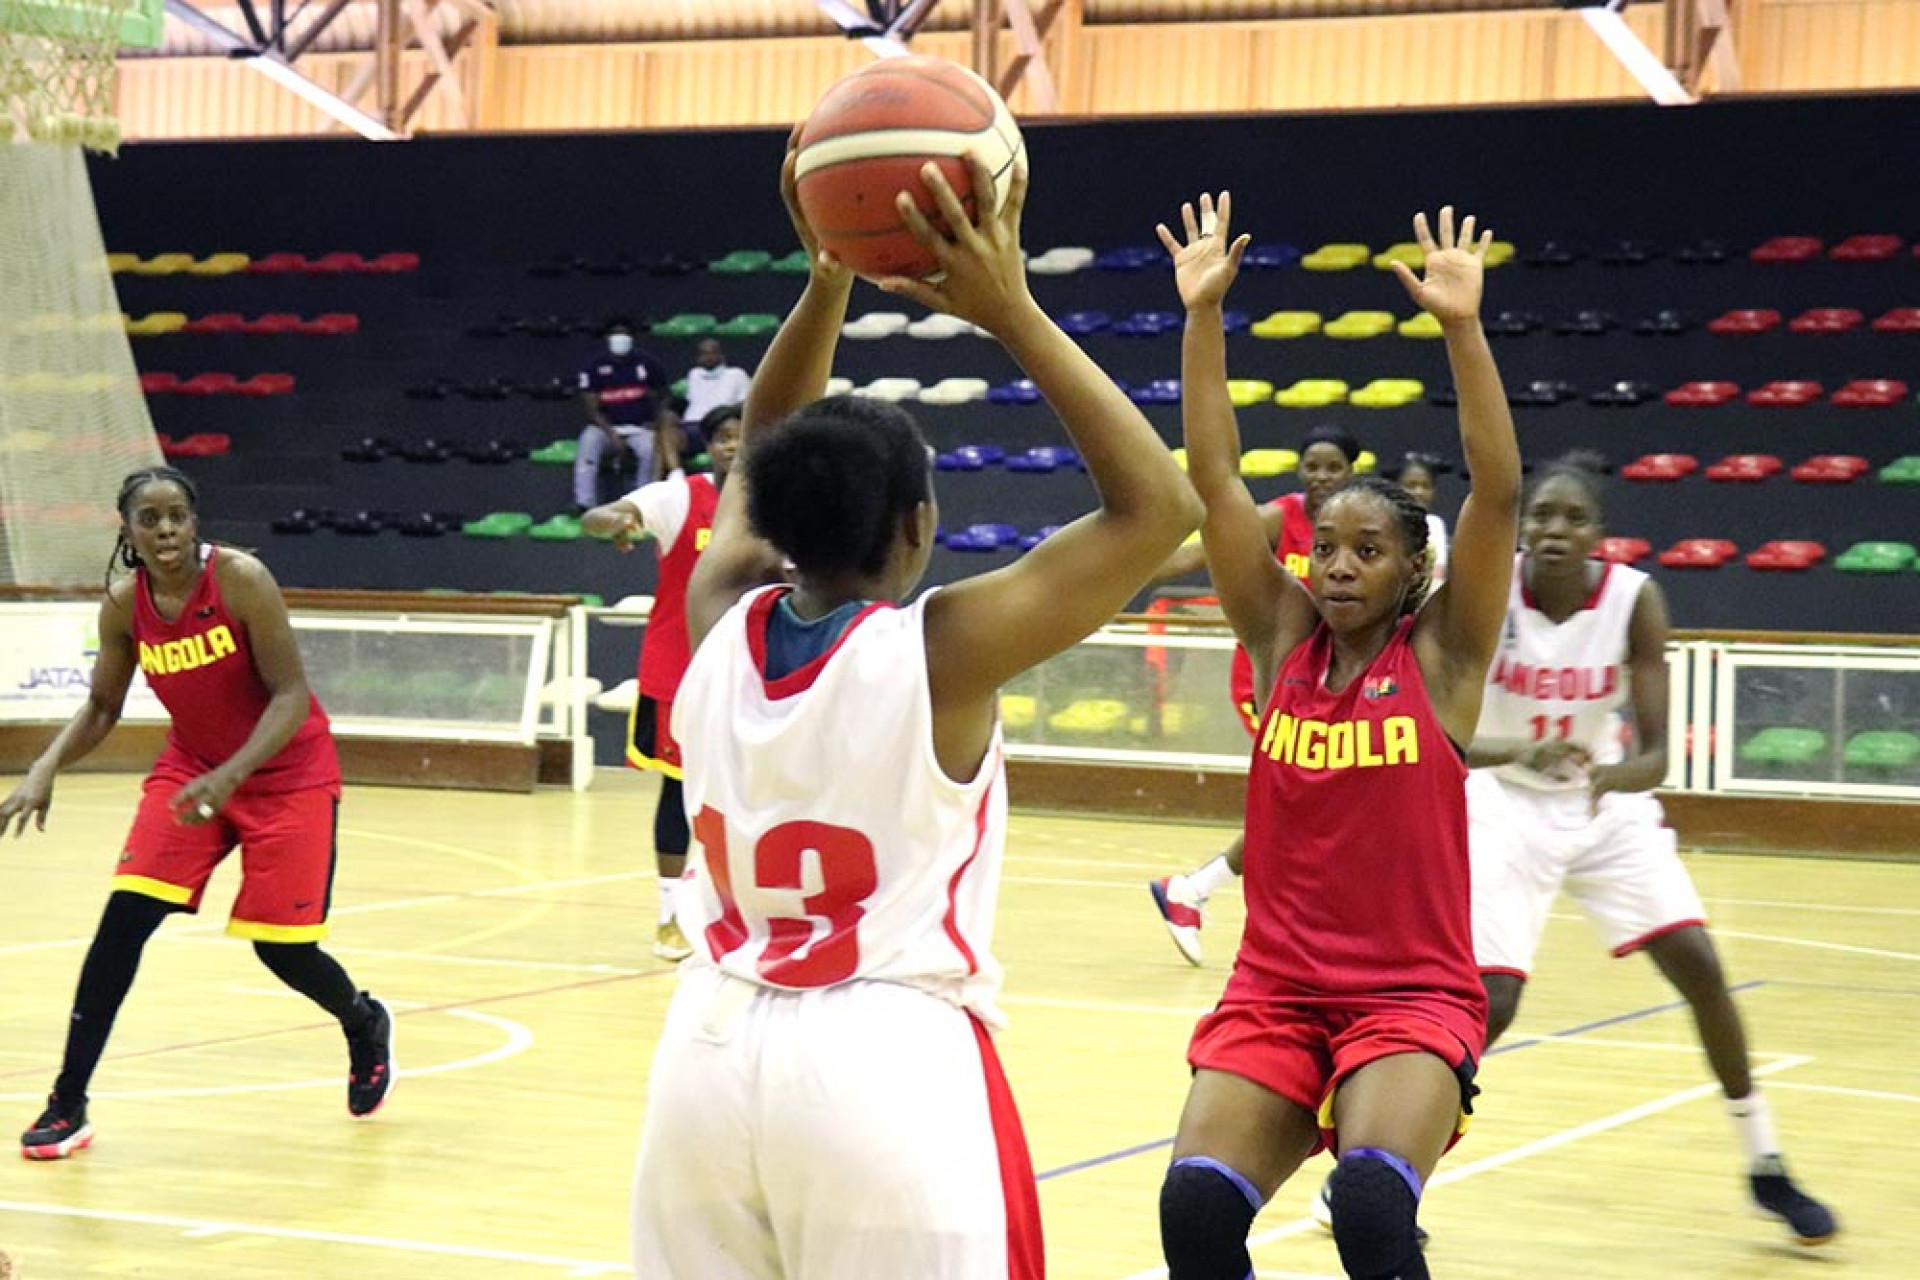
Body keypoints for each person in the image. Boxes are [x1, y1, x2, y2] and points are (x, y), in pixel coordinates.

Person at [629, 146, 1200, 1278]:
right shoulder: (941, 652)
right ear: (917, 527)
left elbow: (767, 436)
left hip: (703, 1049)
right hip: (880, 1058)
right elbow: (1160, 506)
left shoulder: (717, 612)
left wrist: (823, 278)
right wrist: (1012, 311)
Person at [1155, 197, 1519, 1280]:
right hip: (1274, 988)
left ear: (1415, 569)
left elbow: (1497, 487)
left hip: (1410, 994)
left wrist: (1463, 329)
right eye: (1327, 546)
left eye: (1370, 549)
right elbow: (1214, 479)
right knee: (1195, 1211)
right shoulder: (1279, 640)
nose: (1340, 564)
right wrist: (1203, 317)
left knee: (1368, 1205)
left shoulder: (1444, 657)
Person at [1465, 452, 1838, 1245]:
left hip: (1604, 802)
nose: (1554, 530)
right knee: (1492, 1005)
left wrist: (1611, 779)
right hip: (1502, 800)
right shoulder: (1486, 591)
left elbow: (1658, 755)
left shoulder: (1636, 599)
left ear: (1601, 534)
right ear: (1522, 527)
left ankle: (1766, 1162)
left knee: (1700, 964)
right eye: (1540, 516)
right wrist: (1515, 756)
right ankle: (1388, 1167)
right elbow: (1442, 737)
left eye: (1573, 518)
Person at [0, 467, 394, 1160]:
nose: (166, 531)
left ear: (195, 519)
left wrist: (233, 772)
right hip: (192, 771)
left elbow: (291, 694)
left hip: (287, 775)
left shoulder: (242, 579)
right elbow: (101, 707)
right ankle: (68, 1102)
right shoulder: (125, 604)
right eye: (149, 519)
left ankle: (363, 1021)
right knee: (120, 928)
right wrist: (45, 766)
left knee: (283, 949)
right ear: (127, 530)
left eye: (176, 516)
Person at [1146, 422, 1361, 965]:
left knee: (1315, 800)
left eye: (1331, 466)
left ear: (1350, 472)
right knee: (1303, 796)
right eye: (1311, 465)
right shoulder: (1279, 517)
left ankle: (1191, 890)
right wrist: (1129, 571)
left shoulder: (1360, 525)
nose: (1320, 476)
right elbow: (1201, 553)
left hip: (1326, 680)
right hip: (1268, 680)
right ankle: (1200, 893)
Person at [581, 406, 744, 962]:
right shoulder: (680, 497)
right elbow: (602, 515)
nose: (734, 446)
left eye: (746, 437)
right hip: (680, 673)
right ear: (710, 446)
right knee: (678, 792)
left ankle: (742, 910)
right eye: (724, 437)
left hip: (755, 675)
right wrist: (612, 521)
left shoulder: (784, 505)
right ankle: (671, 915)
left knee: (750, 795)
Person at [574, 320, 678, 511]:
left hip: (640, 427)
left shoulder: (648, 364)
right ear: (608, 339)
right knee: (588, 441)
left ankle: (642, 502)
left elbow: (665, 395)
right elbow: (590, 407)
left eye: (625, 334)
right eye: (616, 334)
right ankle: (584, 501)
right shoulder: (594, 367)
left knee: (649, 448)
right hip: (605, 428)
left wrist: (656, 421)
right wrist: (611, 433)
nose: (620, 338)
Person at [1389, 452, 1449, 586]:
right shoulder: (1386, 522)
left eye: (1425, 486)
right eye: (1411, 485)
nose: (1419, 492)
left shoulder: (1436, 525)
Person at [679, 337, 753, 439]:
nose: (708, 357)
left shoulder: (737, 373)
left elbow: (746, 403)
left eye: (712, 353)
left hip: (720, 422)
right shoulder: (694, 374)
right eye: (703, 354)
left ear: (722, 356)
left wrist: (724, 414)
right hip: (692, 423)